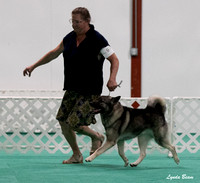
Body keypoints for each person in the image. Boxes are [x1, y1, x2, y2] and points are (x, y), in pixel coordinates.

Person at [23, 7, 119, 164]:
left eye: (77, 21)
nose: (74, 24)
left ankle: (96, 136)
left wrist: (112, 79)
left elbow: (114, 60)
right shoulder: (69, 38)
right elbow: (53, 53)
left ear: (87, 21)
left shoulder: (97, 39)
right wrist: (34, 66)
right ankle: (76, 155)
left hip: (90, 89)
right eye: (72, 21)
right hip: (72, 87)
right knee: (62, 120)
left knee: (74, 122)